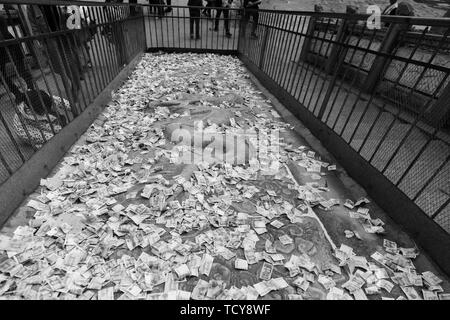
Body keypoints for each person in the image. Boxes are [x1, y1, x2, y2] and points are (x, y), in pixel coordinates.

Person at [0, 16, 35, 102]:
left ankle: (31, 91)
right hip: (5, 45)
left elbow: (3, 31)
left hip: (8, 42)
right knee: (2, 76)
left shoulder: (1, 18)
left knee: (20, 69)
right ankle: (18, 94)